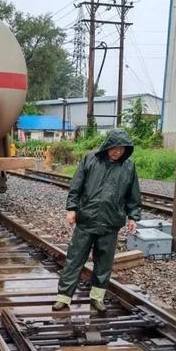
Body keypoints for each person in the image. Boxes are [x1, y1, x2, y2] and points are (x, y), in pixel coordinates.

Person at [52, 129, 141, 313]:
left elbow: (133, 195)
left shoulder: (129, 167)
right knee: (75, 260)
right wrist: (71, 208)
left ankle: (97, 298)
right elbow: (76, 185)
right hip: (86, 220)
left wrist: (133, 216)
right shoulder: (90, 159)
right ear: (107, 145)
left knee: (104, 263)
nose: (118, 152)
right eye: (114, 148)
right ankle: (63, 298)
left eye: (122, 149)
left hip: (111, 223)